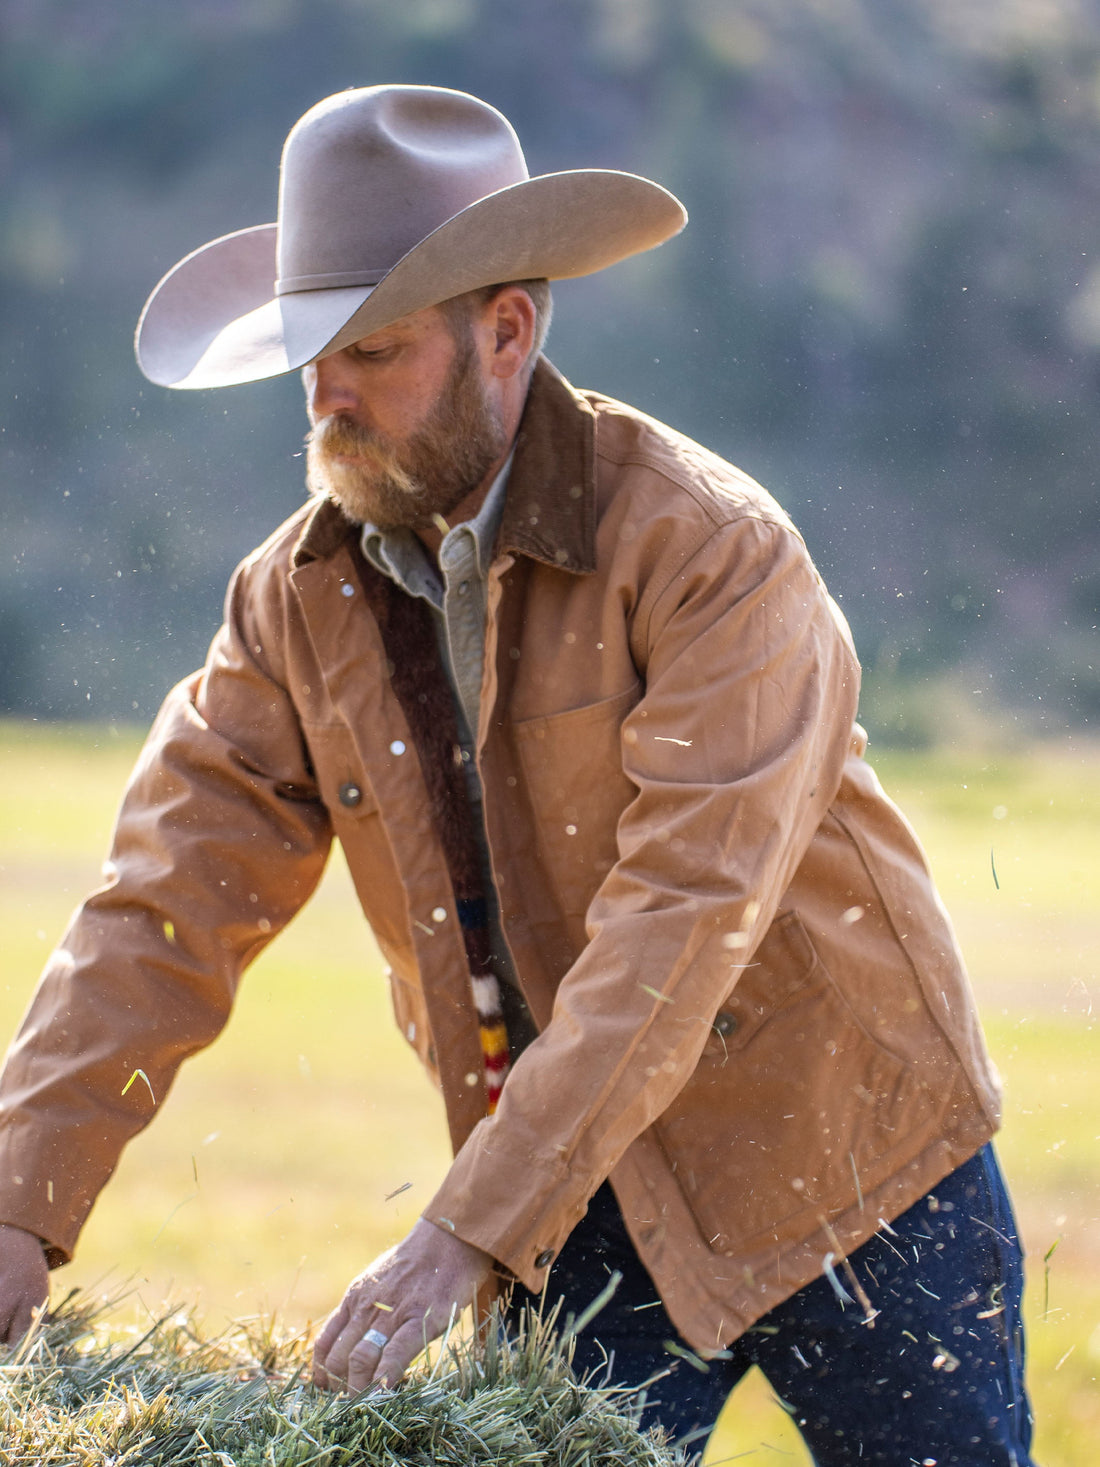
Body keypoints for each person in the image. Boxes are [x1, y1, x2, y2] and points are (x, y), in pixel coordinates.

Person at [0, 85, 1035, 1463]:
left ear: (506, 332)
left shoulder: (712, 551)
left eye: (370, 348)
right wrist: (21, 1205)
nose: (326, 395)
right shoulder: (287, 602)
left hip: (857, 1169)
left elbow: (683, 919)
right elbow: (163, 905)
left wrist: (456, 1235)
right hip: (575, 1201)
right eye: (312, 354)